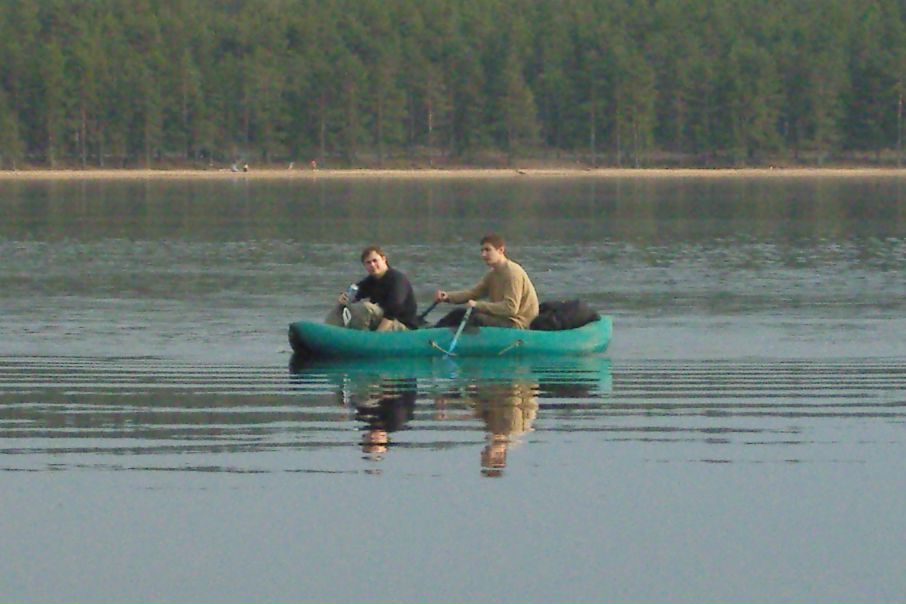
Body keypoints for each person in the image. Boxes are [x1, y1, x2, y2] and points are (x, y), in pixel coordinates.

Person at [434, 234, 539, 328]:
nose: (483, 255)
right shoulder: (493, 274)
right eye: (482, 251)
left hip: (518, 323)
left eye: (488, 250)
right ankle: (431, 335)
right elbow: (473, 293)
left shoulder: (512, 273)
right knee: (458, 314)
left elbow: (510, 308)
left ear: (501, 250)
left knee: (477, 319)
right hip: (502, 318)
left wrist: (477, 305)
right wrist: (448, 296)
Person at [326, 246, 418, 331]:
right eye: (368, 263)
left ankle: (361, 339)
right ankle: (328, 332)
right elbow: (355, 294)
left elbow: (393, 310)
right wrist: (344, 299)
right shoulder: (371, 281)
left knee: (367, 308)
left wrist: (377, 335)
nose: (372, 265)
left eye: (375, 261)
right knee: (341, 307)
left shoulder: (397, 279)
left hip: (402, 326)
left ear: (383, 259)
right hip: (382, 321)